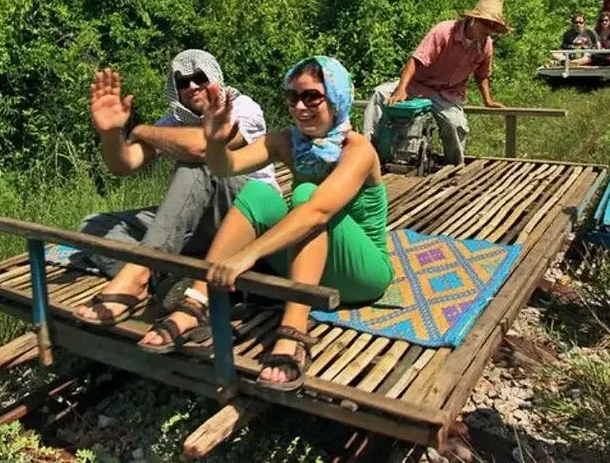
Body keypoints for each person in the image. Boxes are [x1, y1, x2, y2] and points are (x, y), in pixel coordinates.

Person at [139, 56, 393, 393]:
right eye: (293, 97)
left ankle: (293, 330)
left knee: (305, 195)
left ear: (337, 98)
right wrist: (215, 140)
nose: (300, 107)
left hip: (362, 276)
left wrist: (249, 254)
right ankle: (196, 300)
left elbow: (317, 211)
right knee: (258, 192)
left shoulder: (357, 149)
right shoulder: (288, 141)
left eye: (311, 96)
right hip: (309, 266)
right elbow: (226, 167)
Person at [72, 50, 278, 326]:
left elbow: (202, 148)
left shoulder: (241, 106)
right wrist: (110, 135)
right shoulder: (174, 121)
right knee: (95, 227)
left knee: (200, 164)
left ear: (214, 77)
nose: (192, 86)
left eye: (199, 78)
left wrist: (141, 130)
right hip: (202, 222)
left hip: (248, 214)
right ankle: (172, 281)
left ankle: (142, 269)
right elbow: (124, 164)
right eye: (182, 82)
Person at [361, 0, 510, 166]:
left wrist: (488, 100)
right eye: (486, 24)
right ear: (473, 19)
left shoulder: (485, 45)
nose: (488, 31)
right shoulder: (444, 31)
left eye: (493, 27)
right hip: (419, 84)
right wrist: (401, 89)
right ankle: (366, 154)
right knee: (380, 94)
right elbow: (416, 59)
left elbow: (482, 74)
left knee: (455, 124)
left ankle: (455, 166)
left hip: (448, 93)